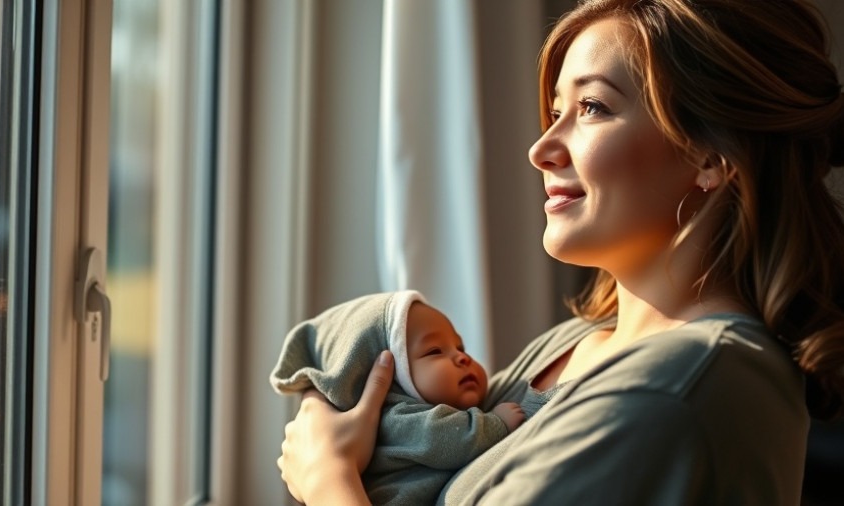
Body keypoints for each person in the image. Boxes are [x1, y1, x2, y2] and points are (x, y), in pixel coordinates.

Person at [276, 0, 844, 504]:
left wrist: (329, 481)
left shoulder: (676, 388)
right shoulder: (573, 346)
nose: (541, 148)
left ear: (711, 157)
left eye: (593, 107)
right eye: (556, 111)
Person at [269, 290, 525, 506]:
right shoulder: (396, 419)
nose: (462, 358)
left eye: (460, 347)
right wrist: (496, 423)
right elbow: (448, 437)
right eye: (435, 351)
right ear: (393, 376)